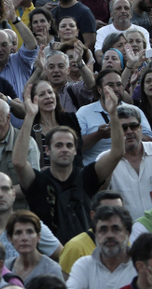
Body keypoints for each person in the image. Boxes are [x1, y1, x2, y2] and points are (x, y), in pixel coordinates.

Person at [13, 82, 125, 244]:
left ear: (75, 150)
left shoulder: (87, 176)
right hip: (48, 256)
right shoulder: (38, 181)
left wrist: (113, 114)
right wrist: (29, 116)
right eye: (58, 145)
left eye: (69, 145)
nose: (64, 149)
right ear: (47, 150)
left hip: (84, 254)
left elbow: (117, 153)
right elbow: (18, 163)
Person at [66, 206, 136, 289]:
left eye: (116, 229)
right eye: (103, 230)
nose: (109, 235)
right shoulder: (84, 265)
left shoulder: (141, 267)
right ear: (95, 235)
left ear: (128, 234)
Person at [59, 191, 125, 279]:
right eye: (107, 212)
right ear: (93, 215)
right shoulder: (75, 247)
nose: (113, 217)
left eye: (119, 211)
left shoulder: (124, 242)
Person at [4, 210, 64, 284]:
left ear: (38, 237)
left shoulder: (51, 269)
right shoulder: (6, 267)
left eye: (30, 232)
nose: (24, 238)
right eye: (18, 233)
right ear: (10, 238)